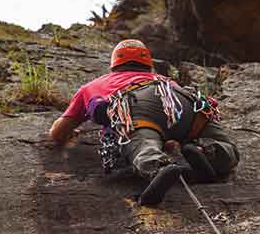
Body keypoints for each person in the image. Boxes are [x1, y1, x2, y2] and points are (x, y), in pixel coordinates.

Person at [50, 39, 241, 205]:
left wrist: (68, 133)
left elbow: (57, 132)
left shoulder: (93, 85)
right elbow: (166, 110)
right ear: (148, 64)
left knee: (142, 139)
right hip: (180, 99)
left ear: (114, 65)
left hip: (137, 102)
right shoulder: (163, 78)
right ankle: (211, 153)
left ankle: (158, 166)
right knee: (221, 141)